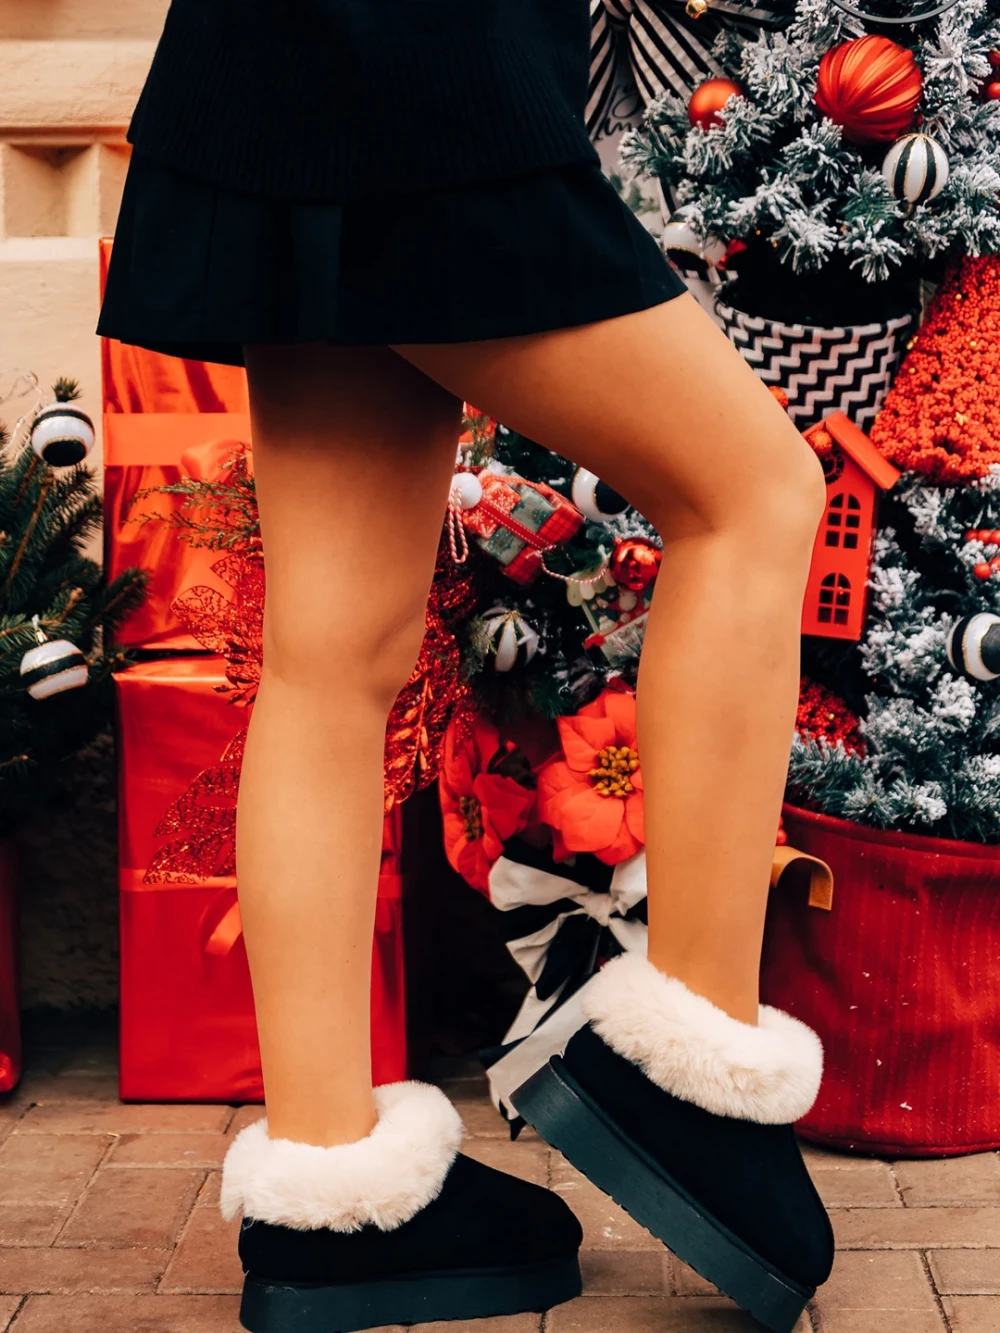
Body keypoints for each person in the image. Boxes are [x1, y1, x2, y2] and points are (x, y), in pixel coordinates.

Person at [98, 3, 834, 1331]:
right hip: (430, 82)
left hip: (280, 80)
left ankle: (330, 1202)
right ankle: (694, 1067)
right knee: (754, 496)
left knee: (331, 657)